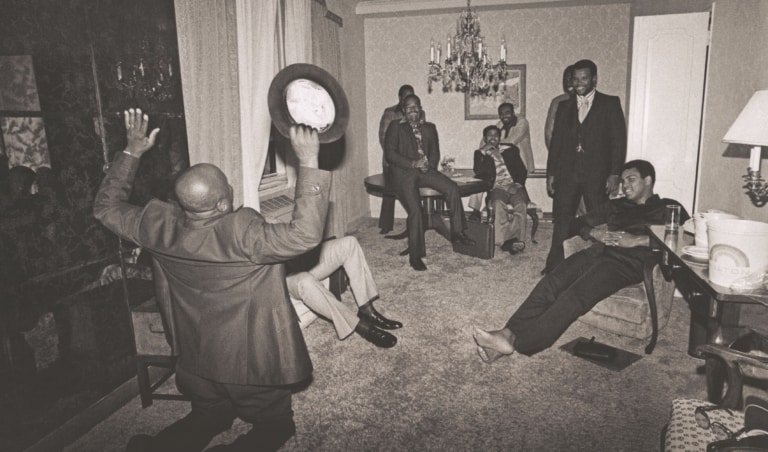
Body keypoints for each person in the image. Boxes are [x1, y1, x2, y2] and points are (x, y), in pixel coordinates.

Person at [94, 109, 331, 452]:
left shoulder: (157, 228)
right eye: (228, 189)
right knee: (275, 427)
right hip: (251, 369)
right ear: (223, 202)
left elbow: (105, 207)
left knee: (208, 416)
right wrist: (309, 159)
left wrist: (132, 150)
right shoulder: (244, 234)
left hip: (194, 363)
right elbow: (306, 234)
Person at [472, 159, 689, 362]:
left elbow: (688, 239)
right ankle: (506, 334)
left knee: (573, 297)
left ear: (648, 180)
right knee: (551, 282)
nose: (625, 186)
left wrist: (638, 240)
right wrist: (594, 233)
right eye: (623, 181)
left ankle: (519, 343)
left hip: (626, 265)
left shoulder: (668, 208)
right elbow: (576, 224)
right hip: (598, 252)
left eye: (631, 180)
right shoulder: (617, 205)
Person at [543, 59, 627, 274]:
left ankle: (604, 266)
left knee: (600, 220)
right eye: (576, 79)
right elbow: (556, 144)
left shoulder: (610, 103)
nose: (579, 83)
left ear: (594, 80)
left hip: (597, 175)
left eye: (584, 78)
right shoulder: (564, 106)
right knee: (562, 220)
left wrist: (615, 173)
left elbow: (618, 141)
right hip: (567, 174)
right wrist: (551, 174)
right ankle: (555, 265)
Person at [384, 94, 474, 272]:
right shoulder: (395, 127)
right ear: (403, 110)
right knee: (416, 211)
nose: (413, 111)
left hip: (425, 170)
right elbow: (390, 154)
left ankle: (457, 232)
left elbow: (435, 152)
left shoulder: (430, 128)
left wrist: (429, 165)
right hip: (404, 173)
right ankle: (415, 257)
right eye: (409, 108)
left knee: (452, 188)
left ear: (421, 108)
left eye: (416, 107)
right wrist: (413, 163)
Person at [287, 236, 402, 348]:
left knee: (349, 243)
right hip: (278, 279)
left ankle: (366, 309)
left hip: (294, 258)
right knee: (305, 281)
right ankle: (361, 326)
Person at [472, 125, 529, 255]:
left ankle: (517, 240)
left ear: (500, 137)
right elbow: (478, 172)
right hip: (497, 187)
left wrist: (517, 183)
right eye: (489, 135)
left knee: (521, 204)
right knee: (498, 204)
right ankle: (504, 241)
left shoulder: (510, 150)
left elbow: (522, 170)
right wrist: (483, 152)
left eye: (496, 135)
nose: (493, 138)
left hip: (514, 185)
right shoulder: (480, 153)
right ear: (485, 138)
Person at [377, 84, 424, 234]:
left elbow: (421, 136)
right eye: (405, 97)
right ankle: (386, 224)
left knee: (412, 191)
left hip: (413, 162)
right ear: (399, 98)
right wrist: (398, 158)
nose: (408, 101)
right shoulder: (390, 113)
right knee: (389, 191)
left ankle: (417, 222)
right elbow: (383, 138)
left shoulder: (419, 113)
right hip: (392, 161)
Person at [545, 65, 575, 152]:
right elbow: (549, 133)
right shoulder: (557, 102)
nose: (568, 83)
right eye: (565, 80)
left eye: (571, 79)